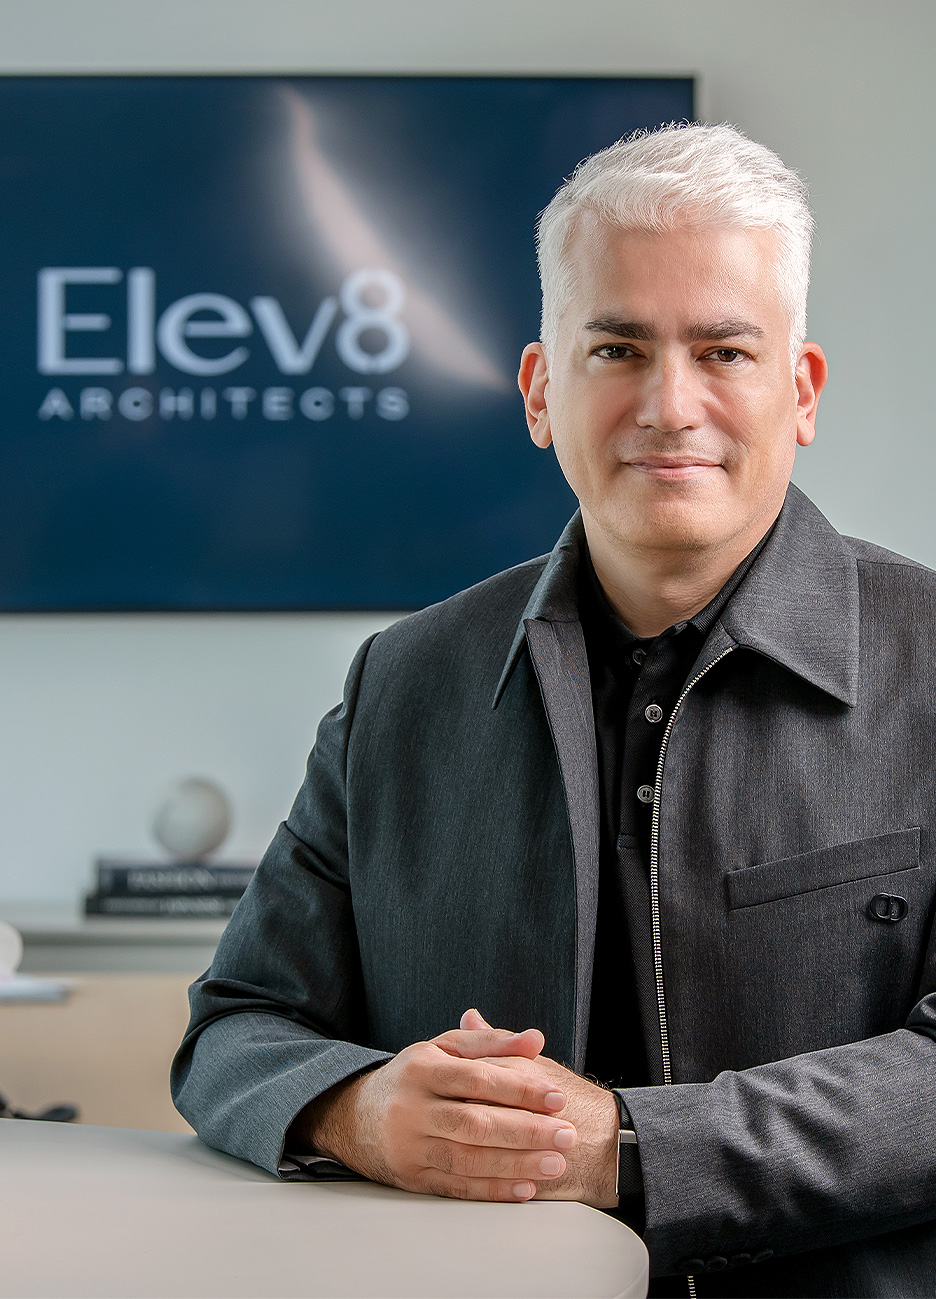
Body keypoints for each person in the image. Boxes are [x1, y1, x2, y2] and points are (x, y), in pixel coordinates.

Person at [171, 123, 936, 1298]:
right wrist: (356, 1109)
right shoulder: (401, 683)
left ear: (800, 391)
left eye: (725, 351)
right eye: (617, 348)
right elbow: (235, 1027)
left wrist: (625, 1149)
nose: (670, 405)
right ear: (540, 391)